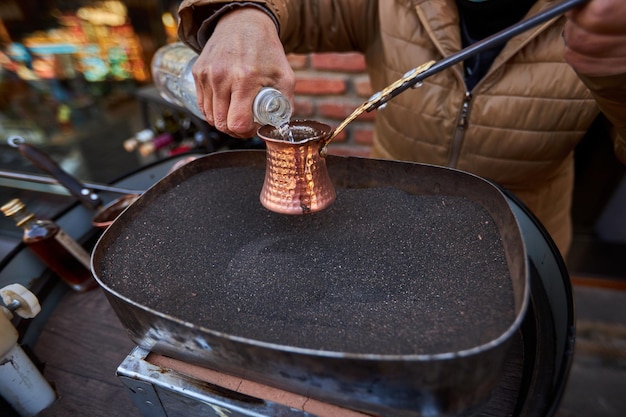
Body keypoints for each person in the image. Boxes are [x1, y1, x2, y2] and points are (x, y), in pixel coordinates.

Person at [176, 0, 626, 257]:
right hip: (388, 226)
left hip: (516, 244)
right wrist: (244, 14)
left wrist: (617, 77)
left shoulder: (604, 19)